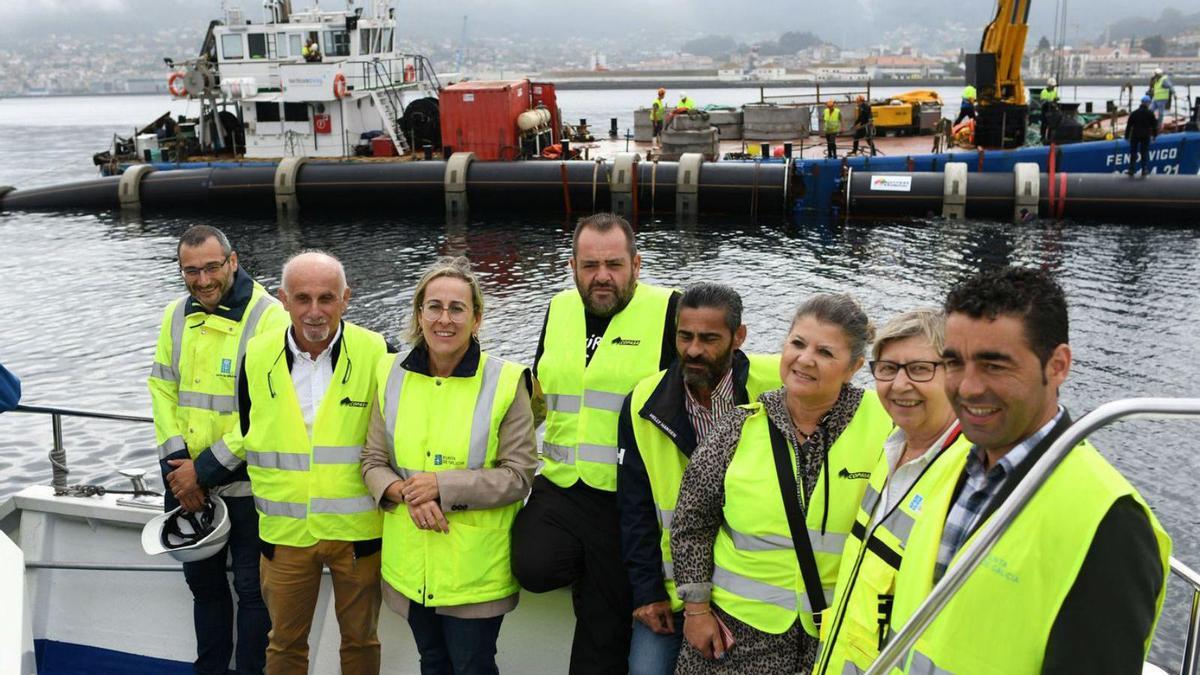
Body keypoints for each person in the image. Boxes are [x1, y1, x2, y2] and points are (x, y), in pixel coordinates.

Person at [885, 267, 1171, 673]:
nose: (967, 387)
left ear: (1057, 366)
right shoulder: (950, 467)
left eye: (994, 365)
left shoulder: (1111, 522)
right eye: (954, 362)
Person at [670, 293, 893, 674]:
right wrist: (695, 611)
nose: (805, 359)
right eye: (798, 344)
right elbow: (691, 523)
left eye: (825, 352)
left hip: (833, 636)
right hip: (733, 637)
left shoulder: (888, 426)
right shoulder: (739, 427)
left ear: (854, 366)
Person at [204, 251, 389, 675]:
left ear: (346, 299)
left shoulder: (377, 352)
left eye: (327, 298)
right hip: (284, 535)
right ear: (283, 300)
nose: (315, 311)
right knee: (284, 646)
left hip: (358, 534)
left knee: (361, 643)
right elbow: (252, 431)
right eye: (302, 298)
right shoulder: (256, 354)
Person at [512, 212, 680, 674]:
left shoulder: (669, 310)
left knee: (602, 630)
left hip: (626, 495)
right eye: (589, 265)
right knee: (532, 566)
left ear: (636, 265)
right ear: (572, 267)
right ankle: (599, 571)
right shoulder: (559, 309)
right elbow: (541, 397)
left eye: (614, 264)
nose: (601, 276)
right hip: (561, 485)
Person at [361, 256, 537, 675]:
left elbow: (518, 475)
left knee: (472, 666)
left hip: (474, 570)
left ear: (476, 319)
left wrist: (441, 485)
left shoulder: (507, 381)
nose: (444, 319)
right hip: (412, 565)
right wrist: (407, 493)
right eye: (434, 306)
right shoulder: (390, 373)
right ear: (419, 314)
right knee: (433, 663)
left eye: (457, 308)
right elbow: (372, 460)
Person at [616, 283, 781, 675]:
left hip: (748, 597)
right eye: (684, 336)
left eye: (709, 339)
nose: (692, 350)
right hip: (673, 597)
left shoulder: (778, 386)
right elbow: (634, 508)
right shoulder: (643, 401)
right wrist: (647, 593)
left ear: (739, 337)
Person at [149, 224, 286, 675]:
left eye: (212, 267)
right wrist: (177, 468)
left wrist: (202, 472)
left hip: (248, 487)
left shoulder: (270, 318)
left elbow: (266, 412)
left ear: (232, 260)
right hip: (185, 481)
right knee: (203, 587)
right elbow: (162, 390)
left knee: (251, 591)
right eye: (191, 271)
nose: (203, 280)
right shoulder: (174, 315)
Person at [812, 308, 973, 675]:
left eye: (919, 369)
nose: (899, 385)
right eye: (887, 369)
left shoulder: (969, 478)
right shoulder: (890, 450)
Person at [1125, 95, 1158, 177]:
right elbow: (1154, 126)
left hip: (1135, 135)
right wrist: (1154, 136)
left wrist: (1126, 136)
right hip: (1145, 135)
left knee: (1133, 153)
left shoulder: (1134, 113)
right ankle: (1144, 170)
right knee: (1144, 153)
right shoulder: (1150, 113)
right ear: (1148, 103)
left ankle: (1131, 170)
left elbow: (1129, 125)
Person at [1040, 77, 1061, 145]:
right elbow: (1043, 101)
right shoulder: (1044, 92)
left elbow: (1055, 98)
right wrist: (1050, 102)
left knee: (1052, 123)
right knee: (1044, 123)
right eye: (1052, 86)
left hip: (1052, 110)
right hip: (1045, 109)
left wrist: (1056, 99)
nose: (1053, 88)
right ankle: (1043, 136)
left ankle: (1051, 136)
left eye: (1054, 86)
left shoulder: (1054, 92)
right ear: (1049, 86)